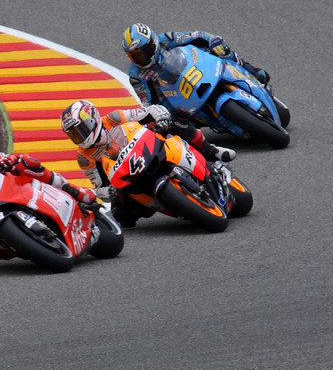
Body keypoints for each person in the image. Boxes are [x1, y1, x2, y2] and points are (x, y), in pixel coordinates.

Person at [59, 99, 236, 229]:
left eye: (79, 130)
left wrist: (161, 117)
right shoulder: (84, 157)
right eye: (73, 134)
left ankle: (211, 151)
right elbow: (99, 186)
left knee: (177, 117)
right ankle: (175, 205)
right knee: (121, 215)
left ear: (92, 120)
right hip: (128, 175)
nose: (78, 137)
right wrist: (109, 192)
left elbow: (146, 112)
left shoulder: (112, 119)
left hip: (148, 147)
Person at [122, 23, 271, 108]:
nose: (141, 58)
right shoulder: (136, 76)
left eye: (144, 51)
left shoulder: (166, 40)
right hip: (177, 99)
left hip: (197, 71)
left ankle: (252, 71)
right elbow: (147, 103)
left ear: (153, 42)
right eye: (135, 55)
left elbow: (196, 36)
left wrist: (212, 40)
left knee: (221, 51)